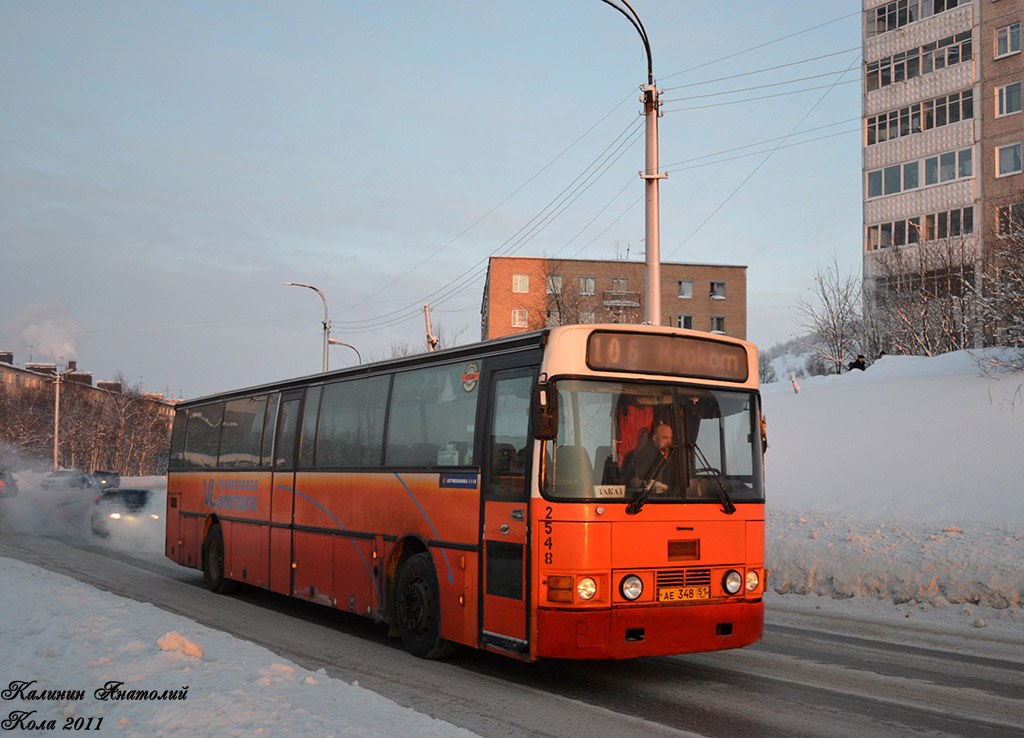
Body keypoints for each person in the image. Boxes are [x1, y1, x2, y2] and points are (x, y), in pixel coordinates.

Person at [621, 421, 675, 493]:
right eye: (665, 438)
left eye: (670, 438)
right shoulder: (642, 457)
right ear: (655, 438)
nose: (669, 441)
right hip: (650, 499)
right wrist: (651, 484)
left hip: (674, 500)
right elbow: (634, 480)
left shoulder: (676, 457)